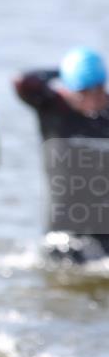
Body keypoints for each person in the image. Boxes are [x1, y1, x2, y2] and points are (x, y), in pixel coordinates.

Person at [14, 47, 109, 265]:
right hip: (63, 232)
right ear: (69, 90)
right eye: (84, 92)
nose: (93, 100)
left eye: (98, 90)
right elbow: (22, 81)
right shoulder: (54, 109)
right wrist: (61, 72)